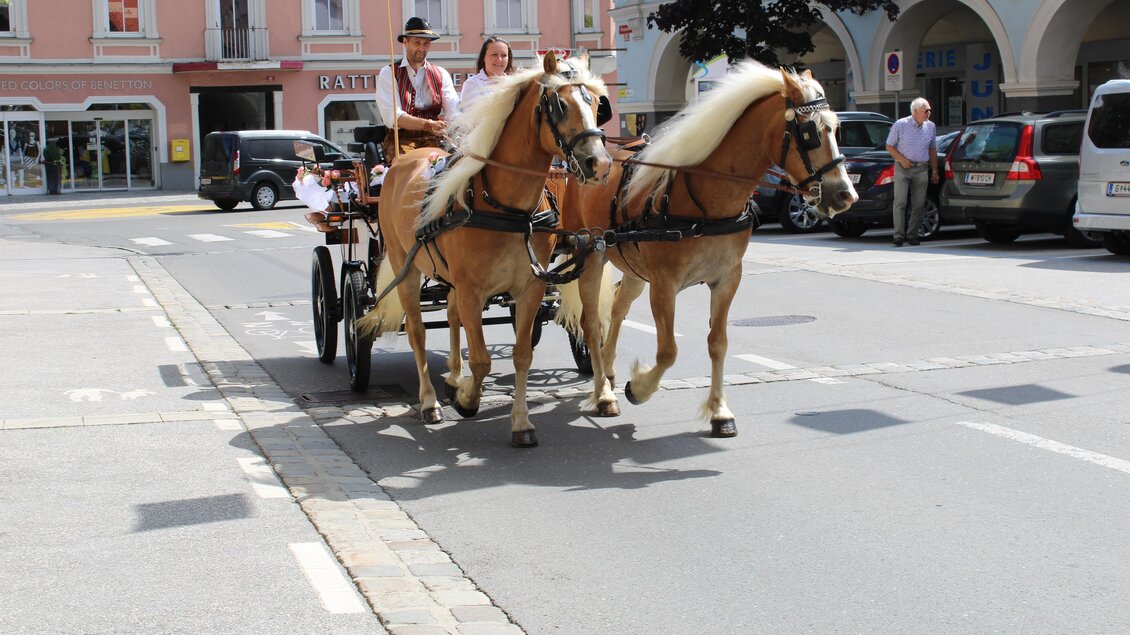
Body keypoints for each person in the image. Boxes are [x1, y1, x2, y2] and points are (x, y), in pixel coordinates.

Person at [375, 17, 460, 161]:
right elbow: (394, 116)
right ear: (405, 42)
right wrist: (428, 125)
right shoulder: (389, 73)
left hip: (435, 138)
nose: (422, 48)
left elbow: (454, 110)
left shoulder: (441, 73)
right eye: (417, 43)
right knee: (406, 167)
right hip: (402, 138)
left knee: (455, 167)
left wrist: (454, 129)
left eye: (426, 44)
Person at [885, 97, 939, 246]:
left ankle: (913, 234)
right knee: (900, 202)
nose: (929, 112)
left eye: (929, 110)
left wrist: (934, 170)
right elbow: (889, 146)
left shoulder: (931, 126)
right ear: (915, 111)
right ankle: (898, 235)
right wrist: (901, 159)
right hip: (902, 168)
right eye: (925, 110)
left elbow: (932, 148)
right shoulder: (901, 124)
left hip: (922, 168)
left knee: (919, 204)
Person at [459, 36, 513, 110]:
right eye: (494, 55)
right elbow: (472, 117)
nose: (499, 59)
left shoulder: (514, 84)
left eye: (504, 55)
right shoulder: (473, 84)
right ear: (484, 57)